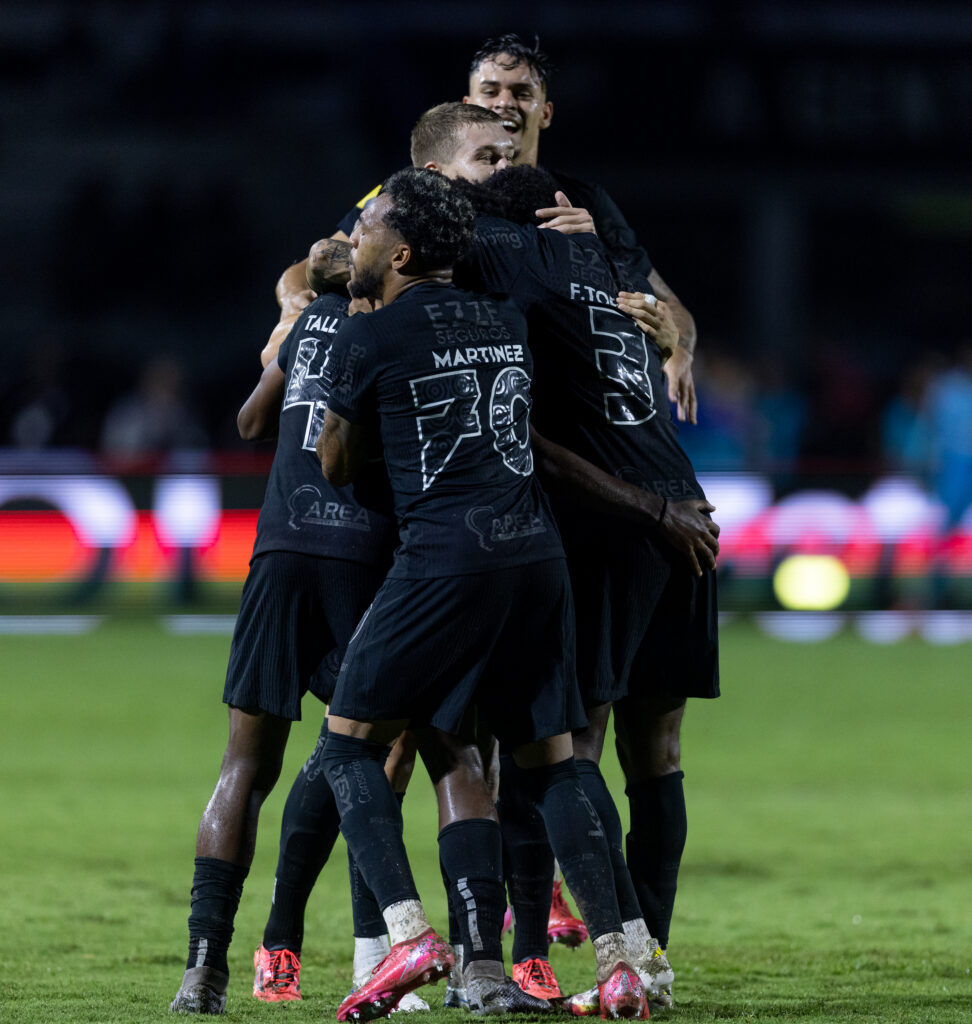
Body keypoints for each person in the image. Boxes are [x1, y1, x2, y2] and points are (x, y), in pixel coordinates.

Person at [306, 103, 719, 1011]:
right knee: (561, 758)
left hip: (445, 559)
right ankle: (624, 959)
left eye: (375, 225)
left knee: (353, 745)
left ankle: (404, 941)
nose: (362, 230)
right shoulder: (510, 302)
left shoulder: (374, 327)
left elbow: (335, 459)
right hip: (539, 552)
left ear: (406, 249)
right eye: (483, 150)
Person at [452, 161, 721, 1014]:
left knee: (566, 747)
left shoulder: (513, 277)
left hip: (625, 521)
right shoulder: (605, 271)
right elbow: (677, 318)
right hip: (690, 507)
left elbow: (523, 433)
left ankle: (616, 958)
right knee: (659, 755)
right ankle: (653, 964)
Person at [168, 288, 399, 1014]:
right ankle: (372, 956)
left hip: (279, 552)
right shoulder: (397, 325)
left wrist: (280, 343)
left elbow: (249, 421)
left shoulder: (307, 323)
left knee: (244, 766)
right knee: (376, 754)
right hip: (360, 554)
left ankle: (204, 969)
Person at [272, 33, 699, 426]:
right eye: (490, 91)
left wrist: (676, 345)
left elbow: (665, 303)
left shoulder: (581, 202)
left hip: (560, 413)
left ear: (545, 112)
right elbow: (323, 258)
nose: (504, 103)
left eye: (522, 93)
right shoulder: (417, 192)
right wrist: (294, 308)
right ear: (468, 102)